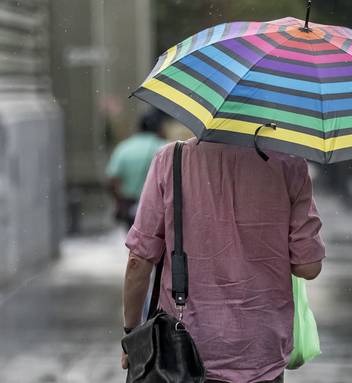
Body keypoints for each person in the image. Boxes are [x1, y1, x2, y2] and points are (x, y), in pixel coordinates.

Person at [121, 138, 325, 383]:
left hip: (186, 350)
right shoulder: (290, 164)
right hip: (261, 350)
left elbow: (138, 261)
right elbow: (309, 267)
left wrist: (131, 333)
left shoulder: (171, 160)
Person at [106, 110, 168, 228]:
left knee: (133, 242)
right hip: (157, 206)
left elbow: (112, 178)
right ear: (159, 127)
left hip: (130, 205)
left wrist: (120, 202)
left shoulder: (124, 148)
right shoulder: (165, 147)